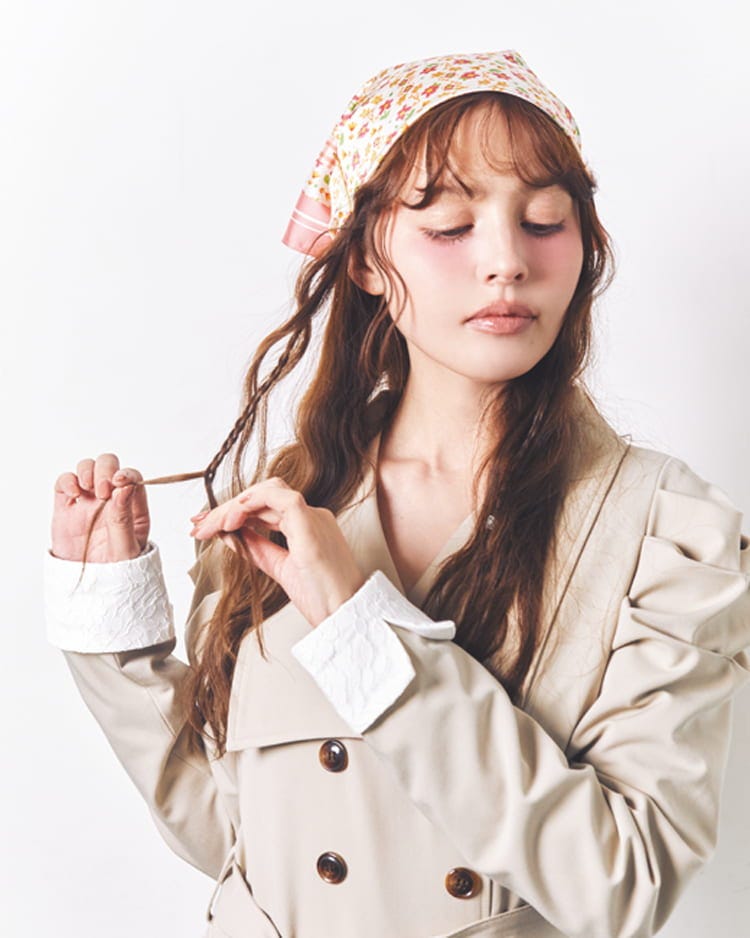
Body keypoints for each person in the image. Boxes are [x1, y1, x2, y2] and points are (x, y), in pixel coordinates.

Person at [44, 50, 750, 938]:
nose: (506, 261)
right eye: (450, 226)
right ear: (366, 259)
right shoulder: (295, 503)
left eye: (544, 219)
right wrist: (116, 639)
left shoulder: (662, 531)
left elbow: (626, 886)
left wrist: (364, 632)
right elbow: (237, 835)